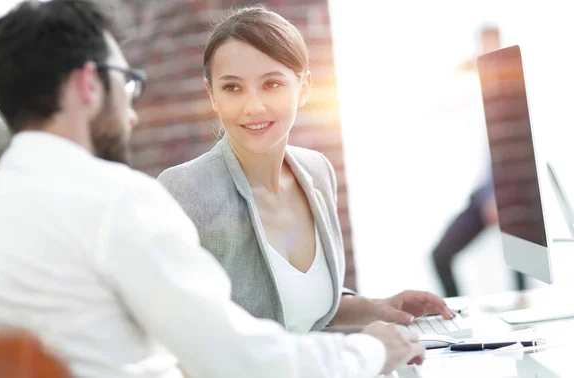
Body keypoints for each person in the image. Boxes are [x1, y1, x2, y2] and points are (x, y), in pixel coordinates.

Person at [0, 1, 426, 377]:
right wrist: (370, 352)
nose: (132, 113)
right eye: (126, 83)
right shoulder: (119, 201)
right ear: (90, 83)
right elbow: (235, 360)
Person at [158, 6, 454, 335]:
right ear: (212, 94)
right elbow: (179, 336)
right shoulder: (185, 191)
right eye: (232, 88)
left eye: (271, 84)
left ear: (304, 87)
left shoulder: (316, 171)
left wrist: (376, 308)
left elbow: (302, 311)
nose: (253, 106)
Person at [431, 25, 527, 299]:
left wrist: (499, 195)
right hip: (484, 192)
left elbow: (518, 154)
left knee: (521, 261)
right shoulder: (478, 89)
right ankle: (454, 312)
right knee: (440, 255)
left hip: (509, 195)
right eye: (483, 50)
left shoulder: (514, 95)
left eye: (494, 49)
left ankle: (526, 321)